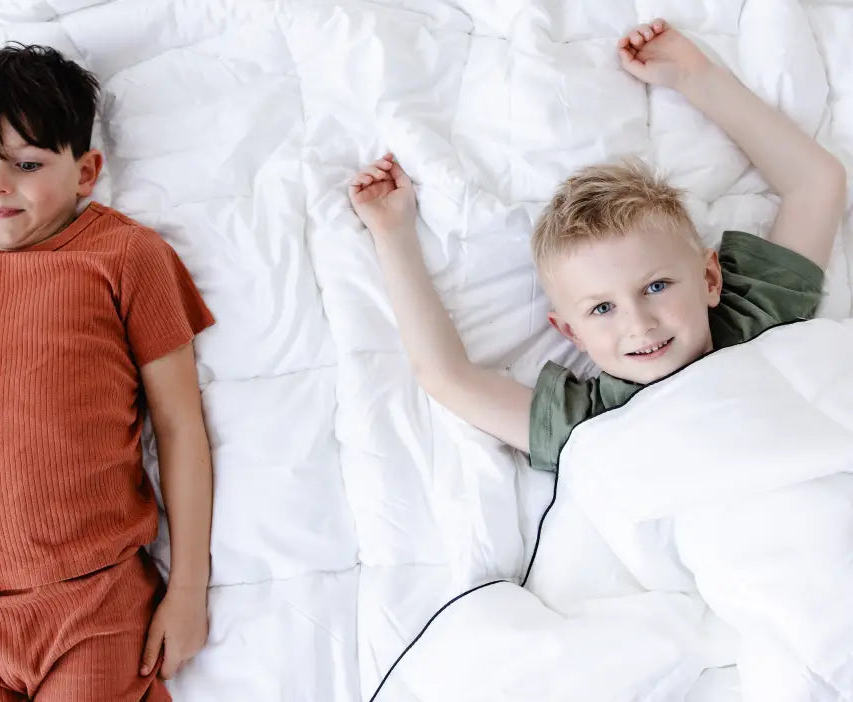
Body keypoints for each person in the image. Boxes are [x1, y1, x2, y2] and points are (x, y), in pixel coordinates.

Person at [0, 44, 215, 701]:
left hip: (93, 600)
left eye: (26, 164)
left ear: (86, 171)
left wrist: (188, 589)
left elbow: (178, 426)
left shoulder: (126, 256)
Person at [348, 18, 845, 473]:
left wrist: (696, 77)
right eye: (602, 307)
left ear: (710, 279)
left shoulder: (754, 316)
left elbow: (817, 183)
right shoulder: (589, 423)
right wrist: (393, 236)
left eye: (656, 285)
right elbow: (446, 377)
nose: (638, 321)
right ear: (571, 332)